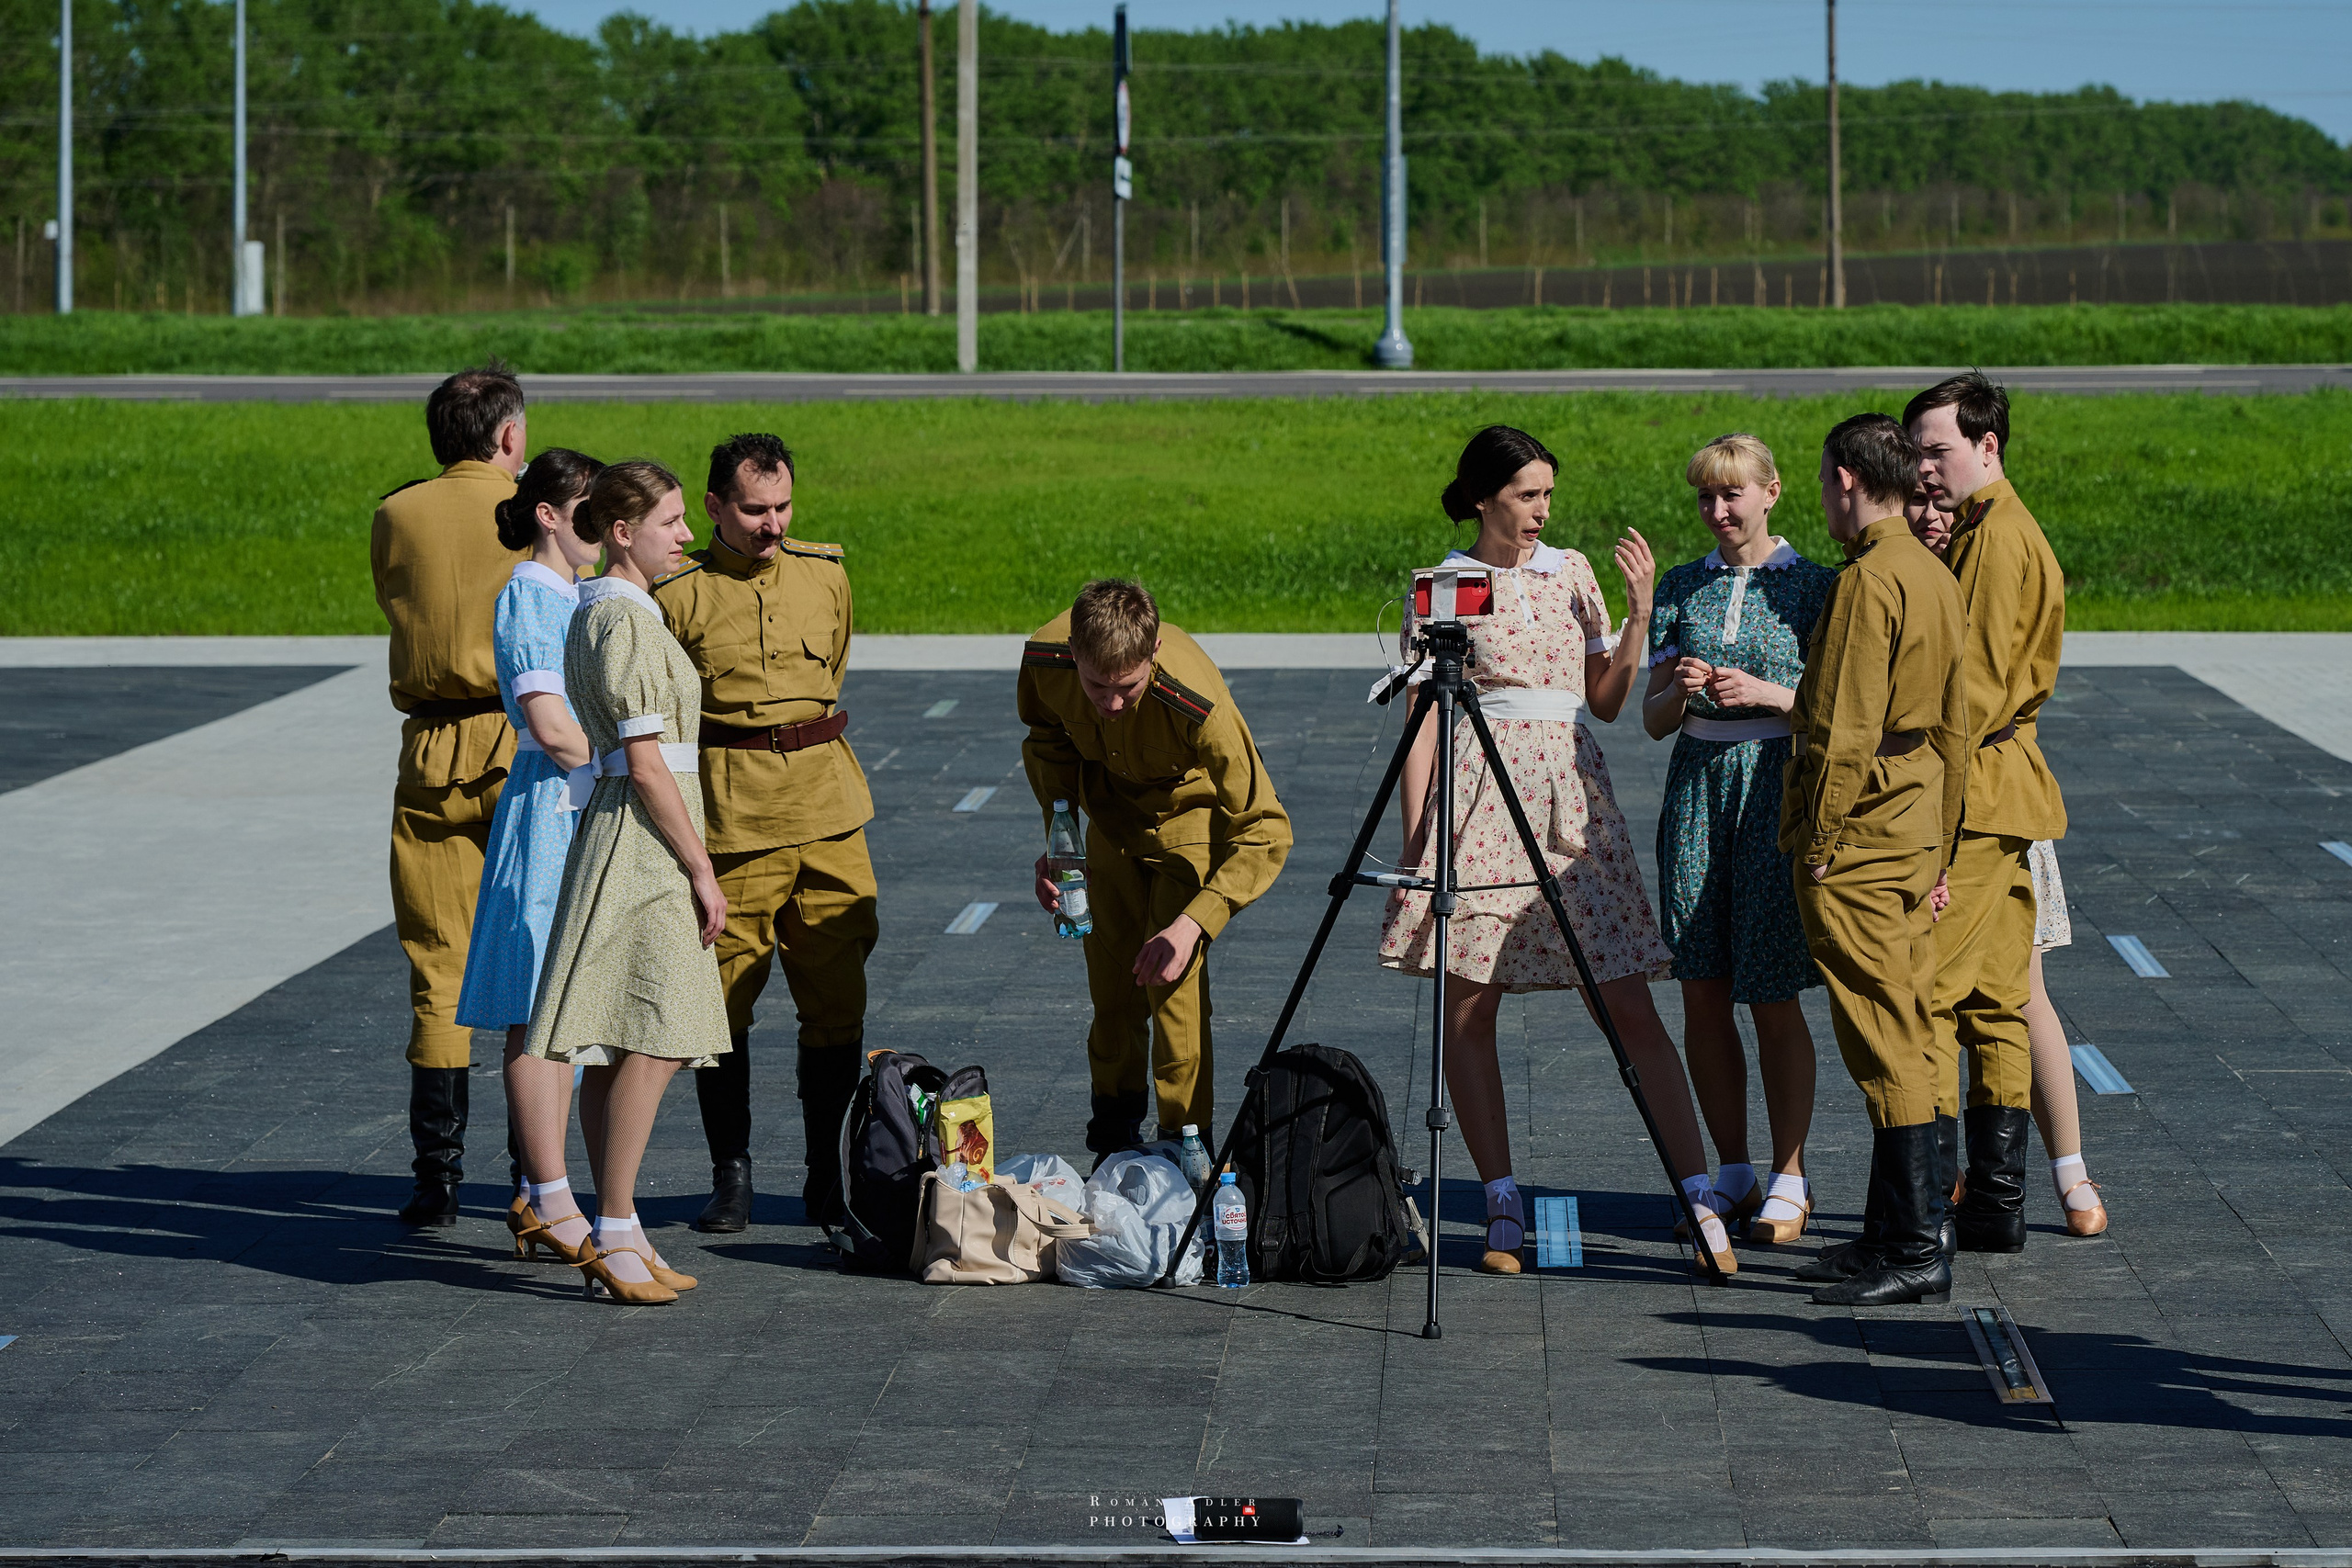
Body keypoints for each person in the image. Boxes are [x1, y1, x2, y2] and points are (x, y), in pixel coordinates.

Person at [1377, 424, 1737, 1279]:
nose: (1542, 510)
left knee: (1628, 1008)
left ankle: (1697, 1195)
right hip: (1480, 800)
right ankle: (1500, 1199)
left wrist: (1642, 612)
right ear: (1481, 498)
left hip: (1571, 796)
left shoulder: (1572, 572)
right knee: (1468, 1010)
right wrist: (1418, 837)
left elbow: (1608, 701)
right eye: (1526, 494)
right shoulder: (1444, 585)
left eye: (1547, 494)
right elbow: (1424, 716)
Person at [653, 434, 878, 1235]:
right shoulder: (675, 595)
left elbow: (834, 672)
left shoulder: (826, 573)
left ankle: (826, 1173)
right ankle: (732, 1173)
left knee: (837, 999)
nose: (772, 523)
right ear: (714, 507)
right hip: (733, 815)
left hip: (826, 809)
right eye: (753, 509)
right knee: (722, 1003)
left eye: (782, 506)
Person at [524, 460, 732, 1305]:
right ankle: (613, 1223)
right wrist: (701, 867)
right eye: (672, 520)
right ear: (622, 532)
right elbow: (647, 765)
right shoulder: (623, 622)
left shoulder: (613, 612)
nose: (685, 534)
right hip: (646, 839)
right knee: (658, 1029)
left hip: (634, 827)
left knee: (626, 1032)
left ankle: (622, 1226)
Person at [1784, 413, 1967, 1307]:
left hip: (1858, 841)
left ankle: (1909, 1247)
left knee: (1882, 1039)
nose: (1824, 498)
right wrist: (1941, 841)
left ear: (1849, 481)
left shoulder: (1868, 581)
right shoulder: (1931, 573)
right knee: (1914, 1026)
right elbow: (1956, 728)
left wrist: (1818, 843)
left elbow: (1842, 727)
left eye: (1824, 481)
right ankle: (1906, 1229)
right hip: (1909, 827)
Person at [1019, 579, 1292, 1166]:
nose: (1112, 705)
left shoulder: (1198, 701)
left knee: (1171, 987)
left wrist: (1196, 922)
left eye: (1128, 689)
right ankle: (1113, 1137)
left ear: (1154, 657)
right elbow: (1046, 740)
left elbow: (1265, 830)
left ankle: (1184, 1145)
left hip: (1187, 821)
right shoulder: (1045, 660)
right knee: (1112, 993)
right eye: (1096, 687)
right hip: (1109, 821)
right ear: (1072, 651)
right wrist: (1059, 839)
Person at [1641, 434, 1836, 1247]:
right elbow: (1651, 721)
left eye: (1732, 496)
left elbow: (1837, 713)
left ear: (1771, 493)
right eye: (1706, 499)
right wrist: (1678, 688)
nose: (1718, 512)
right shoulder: (1684, 585)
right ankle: (1732, 1164)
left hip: (1774, 786)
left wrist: (1766, 691)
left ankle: (1792, 1168)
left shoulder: (1818, 588)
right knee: (1702, 986)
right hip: (1696, 789)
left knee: (1772, 989)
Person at [1903, 486, 2106, 1239]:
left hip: (1971, 798)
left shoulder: (1992, 542)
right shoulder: (1985, 539)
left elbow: (1969, 698)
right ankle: (1998, 1199)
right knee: (2001, 999)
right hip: (2001, 793)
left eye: (1938, 495)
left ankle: (1935, 1209)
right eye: (1916, 497)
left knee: (1946, 999)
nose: (1932, 512)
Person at [371, 364, 528, 1224]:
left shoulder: (397, 513)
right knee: (532, 965)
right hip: (519, 740)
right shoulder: (535, 514)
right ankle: (532, 1177)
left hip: (432, 747)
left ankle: (436, 1180)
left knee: (438, 966)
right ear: (508, 437)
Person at [452, 447, 605, 1263]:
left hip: (579, 808)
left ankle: (550, 1190)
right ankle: (546, 1191)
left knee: (568, 1010)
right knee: (537, 1003)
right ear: (547, 514)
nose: (598, 525)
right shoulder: (529, 594)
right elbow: (549, 724)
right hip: (551, 810)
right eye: (586, 508)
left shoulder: (578, 592)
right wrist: (621, 764)